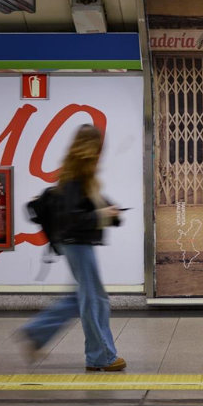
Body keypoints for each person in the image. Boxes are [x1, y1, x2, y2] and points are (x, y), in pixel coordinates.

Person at [19, 124, 126, 372]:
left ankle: (36, 332)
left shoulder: (78, 173)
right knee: (94, 300)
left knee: (81, 296)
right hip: (77, 244)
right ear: (93, 147)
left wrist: (110, 213)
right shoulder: (78, 175)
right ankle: (101, 357)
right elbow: (74, 217)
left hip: (73, 243)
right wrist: (102, 214)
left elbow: (86, 205)